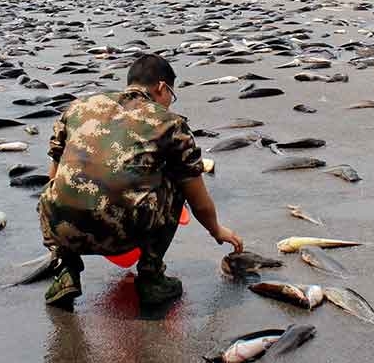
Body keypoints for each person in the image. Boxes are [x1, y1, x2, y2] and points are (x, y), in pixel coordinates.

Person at [38, 53, 244, 309]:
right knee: (179, 178)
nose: (169, 102)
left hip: (62, 229)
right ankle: (151, 276)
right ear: (161, 87)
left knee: (60, 188)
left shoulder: (78, 107)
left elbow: (54, 176)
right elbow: (197, 199)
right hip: (123, 232)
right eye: (171, 94)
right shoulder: (170, 123)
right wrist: (216, 230)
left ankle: (65, 271)